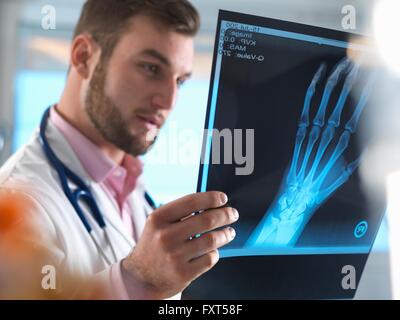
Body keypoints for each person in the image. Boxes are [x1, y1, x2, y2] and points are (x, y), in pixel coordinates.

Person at [0, 0, 239, 300]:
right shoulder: (15, 205)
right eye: (151, 68)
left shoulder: (131, 188)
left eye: (180, 81)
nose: (168, 101)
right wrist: (136, 280)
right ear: (84, 57)